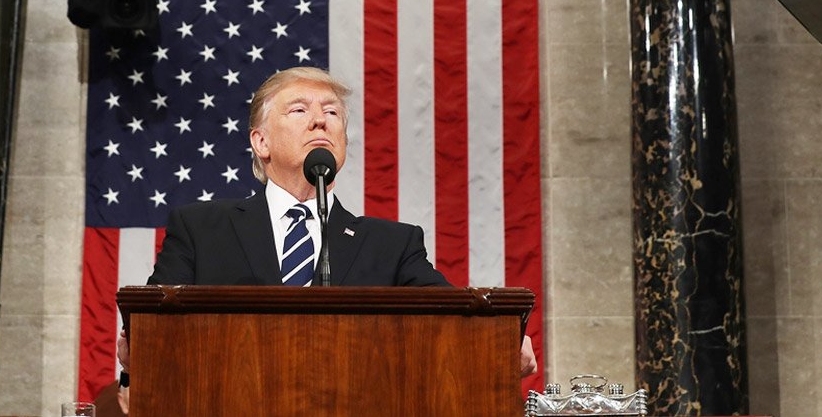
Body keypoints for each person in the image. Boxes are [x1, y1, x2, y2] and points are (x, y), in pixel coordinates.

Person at [117, 67, 536, 382]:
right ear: (260, 142)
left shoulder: (392, 245)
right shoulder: (201, 228)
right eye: (299, 110)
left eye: (332, 112)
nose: (320, 121)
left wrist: (498, 342)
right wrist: (139, 345)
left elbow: (455, 321)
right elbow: (149, 329)